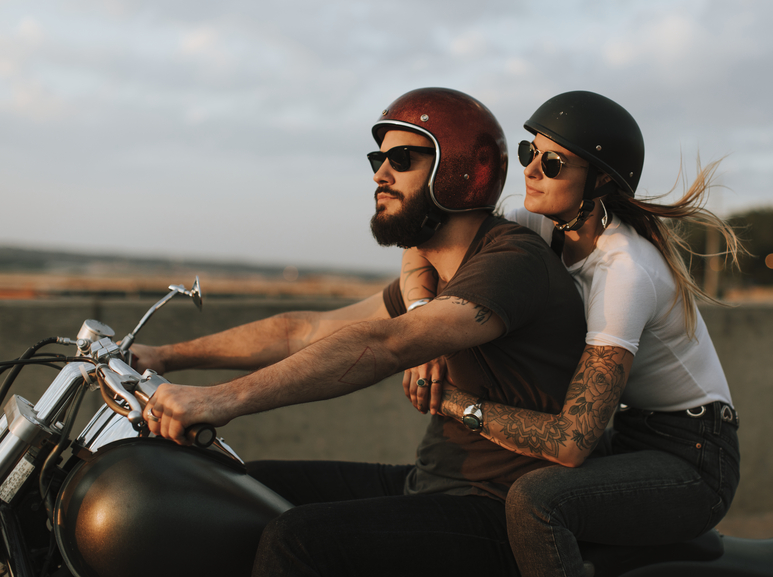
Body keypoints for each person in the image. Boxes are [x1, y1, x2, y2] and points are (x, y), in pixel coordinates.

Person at [130, 87, 589, 577]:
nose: (379, 173)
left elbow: (383, 345)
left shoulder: (510, 262)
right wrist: (164, 356)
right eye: (378, 157)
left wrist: (221, 401)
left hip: (498, 515)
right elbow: (302, 330)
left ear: (456, 170)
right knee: (239, 487)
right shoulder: (435, 273)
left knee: (299, 540)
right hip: (430, 484)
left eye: (401, 158)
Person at [401, 90, 743, 577]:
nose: (531, 170)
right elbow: (426, 235)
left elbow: (571, 441)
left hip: (693, 458)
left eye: (554, 163)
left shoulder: (624, 269)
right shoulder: (538, 225)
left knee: (536, 500)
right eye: (528, 153)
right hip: (627, 435)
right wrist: (421, 325)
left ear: (601, 181)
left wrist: (453, 402)